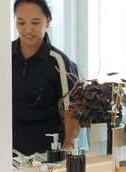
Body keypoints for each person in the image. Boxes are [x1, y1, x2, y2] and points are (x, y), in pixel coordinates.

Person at [12, 0, 79, 155]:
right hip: (7, 151)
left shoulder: (60, 62)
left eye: (35, 22)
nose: (28, 29)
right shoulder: (3, 55)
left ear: (48, 21)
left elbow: (73, 110)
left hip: (46, 153)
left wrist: (67, 148)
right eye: (21, 23)